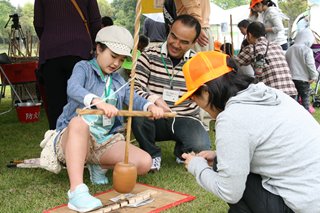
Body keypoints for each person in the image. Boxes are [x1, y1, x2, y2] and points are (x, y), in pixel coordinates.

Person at [175, 51, 320, 213]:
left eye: (193, 97)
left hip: (303, 206)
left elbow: (229, 192)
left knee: (226, 173)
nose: (195, 103)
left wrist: (197, 166)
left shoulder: (232, 117)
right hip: (313, 196)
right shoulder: (270, 95)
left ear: (206, 91)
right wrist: (218, 154)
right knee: (222, 161)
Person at [54, 26, 164, 212]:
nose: (116, 64)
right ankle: (76, 192)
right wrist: (97, 101)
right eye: (113, 56)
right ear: (98, 48)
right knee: (79, 123)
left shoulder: (119, 80)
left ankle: (97, 164)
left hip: (103, 141)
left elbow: (133, 98)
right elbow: (72, 87)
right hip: (72, 137)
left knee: (144, 163)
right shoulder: (83, 68)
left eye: (121, 60)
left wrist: (149, 106)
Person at [132, 14, 211, 172]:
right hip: (153, 116)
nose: (175, 44)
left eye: (184, 42)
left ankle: (181, 152)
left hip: (185, 117)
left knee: (201, 147)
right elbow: (134, 88)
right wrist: (153, 100)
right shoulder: (149, 55)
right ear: (169, 30)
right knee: (138, 116)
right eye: (173, 36)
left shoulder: (197, 64)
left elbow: (206, 96)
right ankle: (152, 154)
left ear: (194, 42)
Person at [33, 0, 102, 129]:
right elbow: (95, 22)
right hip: (79, 50)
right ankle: (80, 139)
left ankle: (56, 141)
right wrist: (93, 44)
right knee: (81, 101)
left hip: (51, 53)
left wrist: (52, 40)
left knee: (55, 104)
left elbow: (38, 24)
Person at [234, 22, 297, 97]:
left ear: (249, 35)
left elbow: (234, 63)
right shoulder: (277, 46)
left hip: (272, 94)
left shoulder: (251, 48)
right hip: (291, 92)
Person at [285, 28, 319, 111]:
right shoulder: (307, 50)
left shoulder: (290, 49)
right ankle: (305, 119)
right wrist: (314, 77)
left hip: (292, 79)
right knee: (305, 102)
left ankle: (294, 116)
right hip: (304, 80)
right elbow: (310, 65)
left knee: (293, 101)